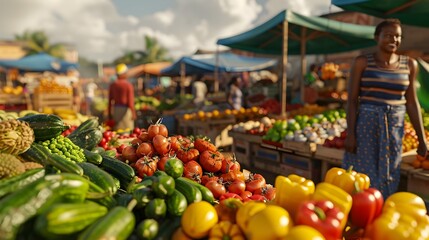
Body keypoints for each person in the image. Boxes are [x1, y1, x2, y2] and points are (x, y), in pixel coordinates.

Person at [343, 18, 428, 199]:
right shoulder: (362, 62)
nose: (394, 40)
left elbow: (412, 103)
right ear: (377, 37)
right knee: (364, 172)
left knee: (390, 171)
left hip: (395, 127)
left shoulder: (409, 65)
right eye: (388, 35)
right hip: (367, 125)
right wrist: (350, 133)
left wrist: (422, 138)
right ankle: (364, 211)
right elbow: (351, 101)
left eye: (397, 36)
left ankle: (383, 211)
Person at [108, 63, 136, 131]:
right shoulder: (128, 85)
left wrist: (110, 114)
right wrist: (133, 113)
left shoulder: (113, 85)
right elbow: (130, 102)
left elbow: (110, 101)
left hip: (116, 111)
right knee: (128, 132)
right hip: (126, 112)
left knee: (117, 132)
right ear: (123, 73)